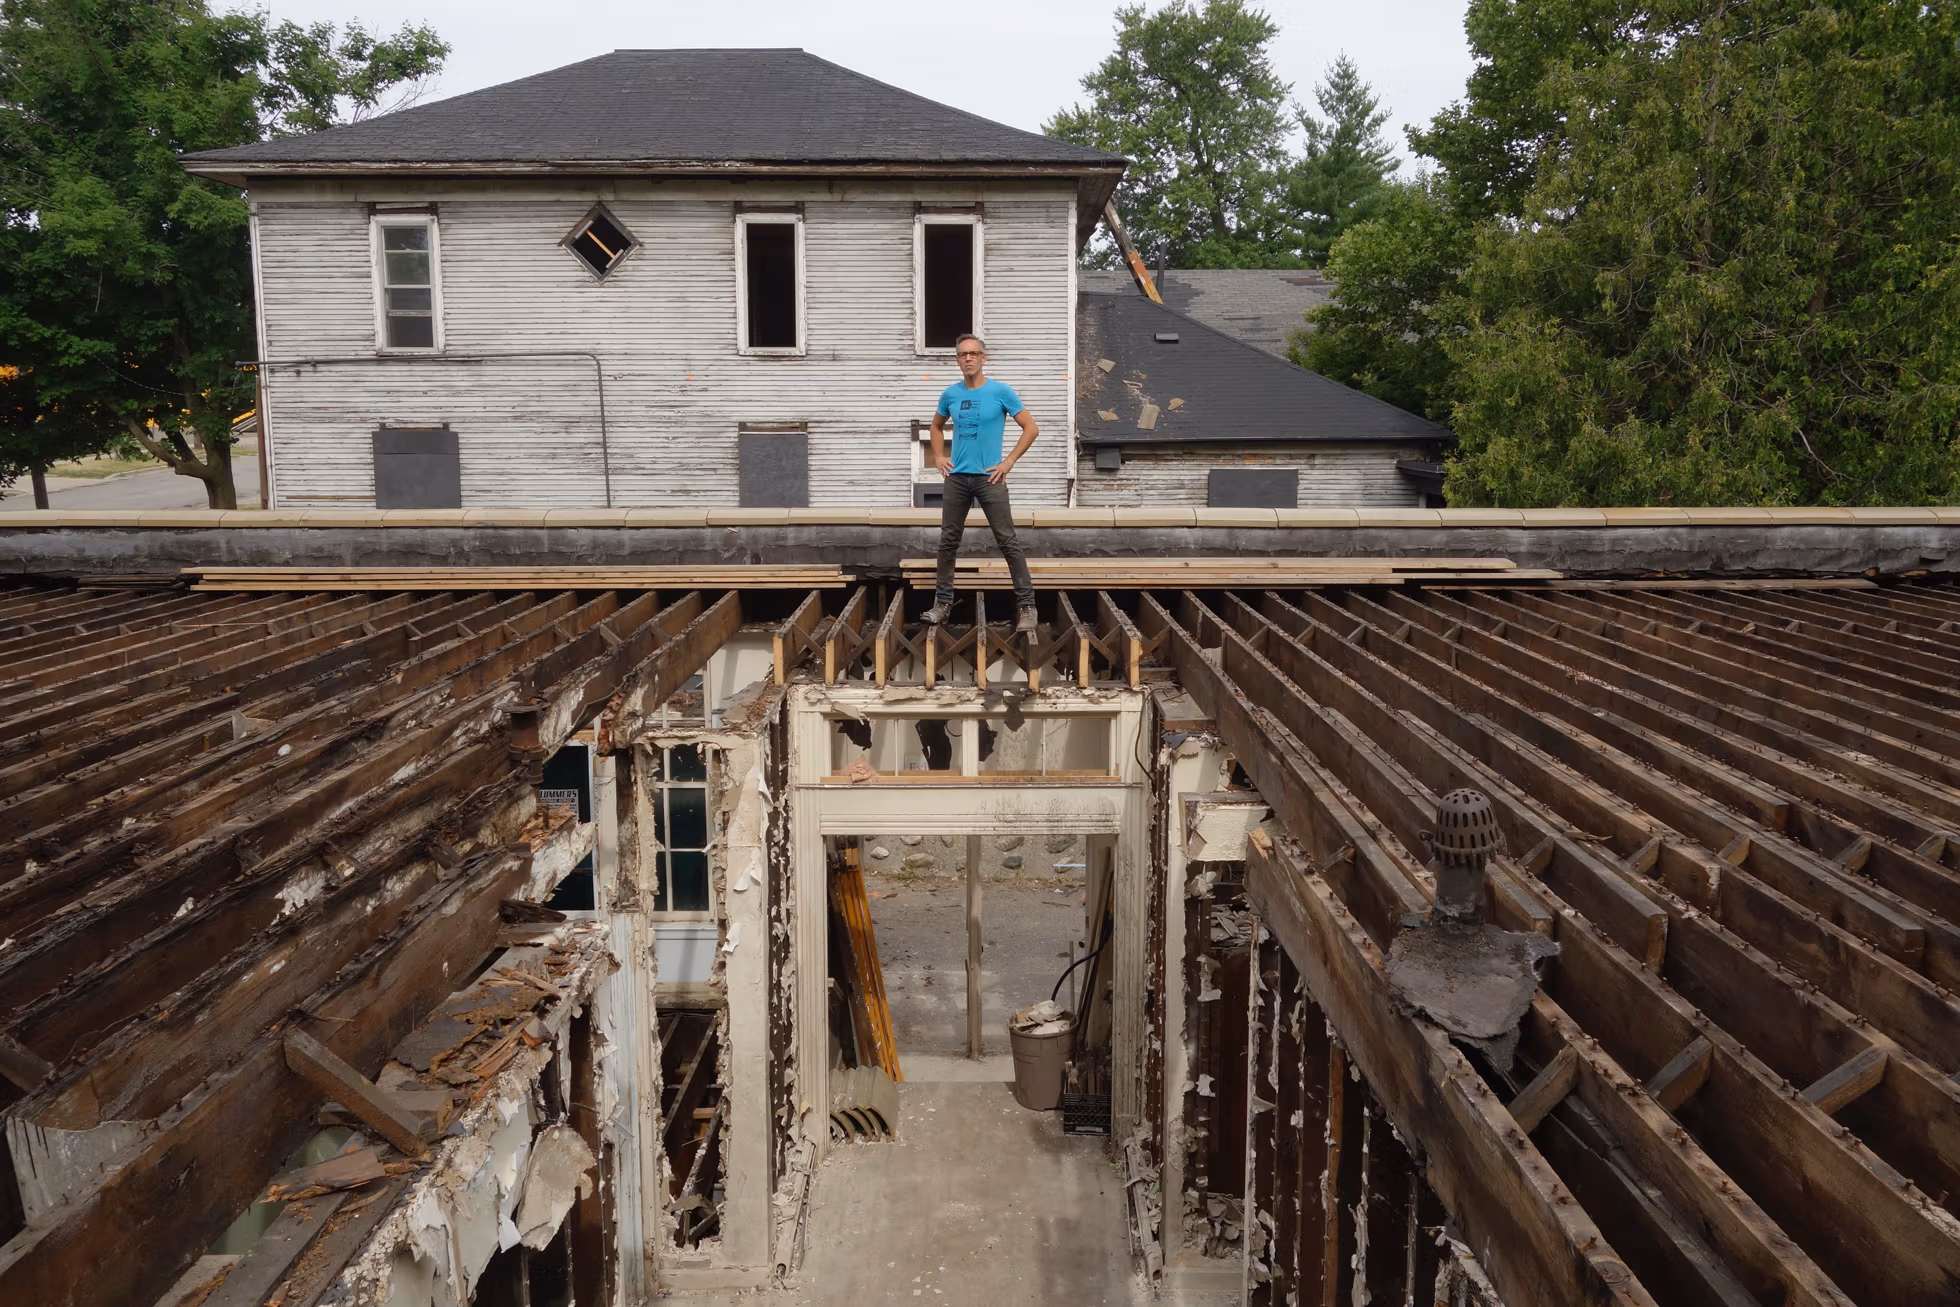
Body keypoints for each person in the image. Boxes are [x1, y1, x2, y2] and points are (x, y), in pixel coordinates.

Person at [922, 334, 1039, 632]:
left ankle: (1027, 607)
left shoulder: (1001, 391)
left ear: (983, 358)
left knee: (1007, 541)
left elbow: (1031, 428)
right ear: (958, 360)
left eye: (973, 353)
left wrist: (1009, 461)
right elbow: (935, 426)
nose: (968, 358)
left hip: (990, 478)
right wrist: (939, 456)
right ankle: (942, 605)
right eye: (963, 354)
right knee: (948, 542)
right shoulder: (950, 394)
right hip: (957, 479)